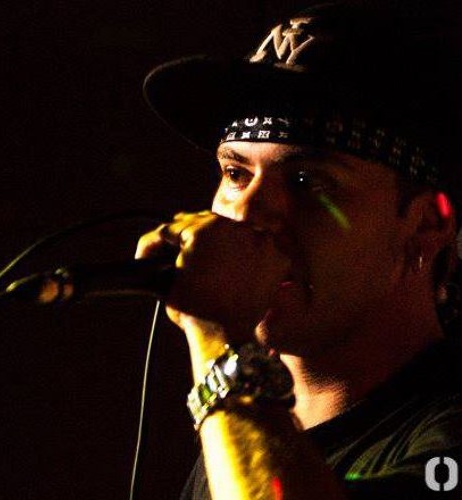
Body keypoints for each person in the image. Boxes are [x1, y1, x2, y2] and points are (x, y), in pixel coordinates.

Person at [136, 2, 462, 498]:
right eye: (235, 173)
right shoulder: (242, 428)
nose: (246, 213)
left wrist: (221, 342)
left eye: (308, 181)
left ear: (426, 225)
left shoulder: (446, 437)